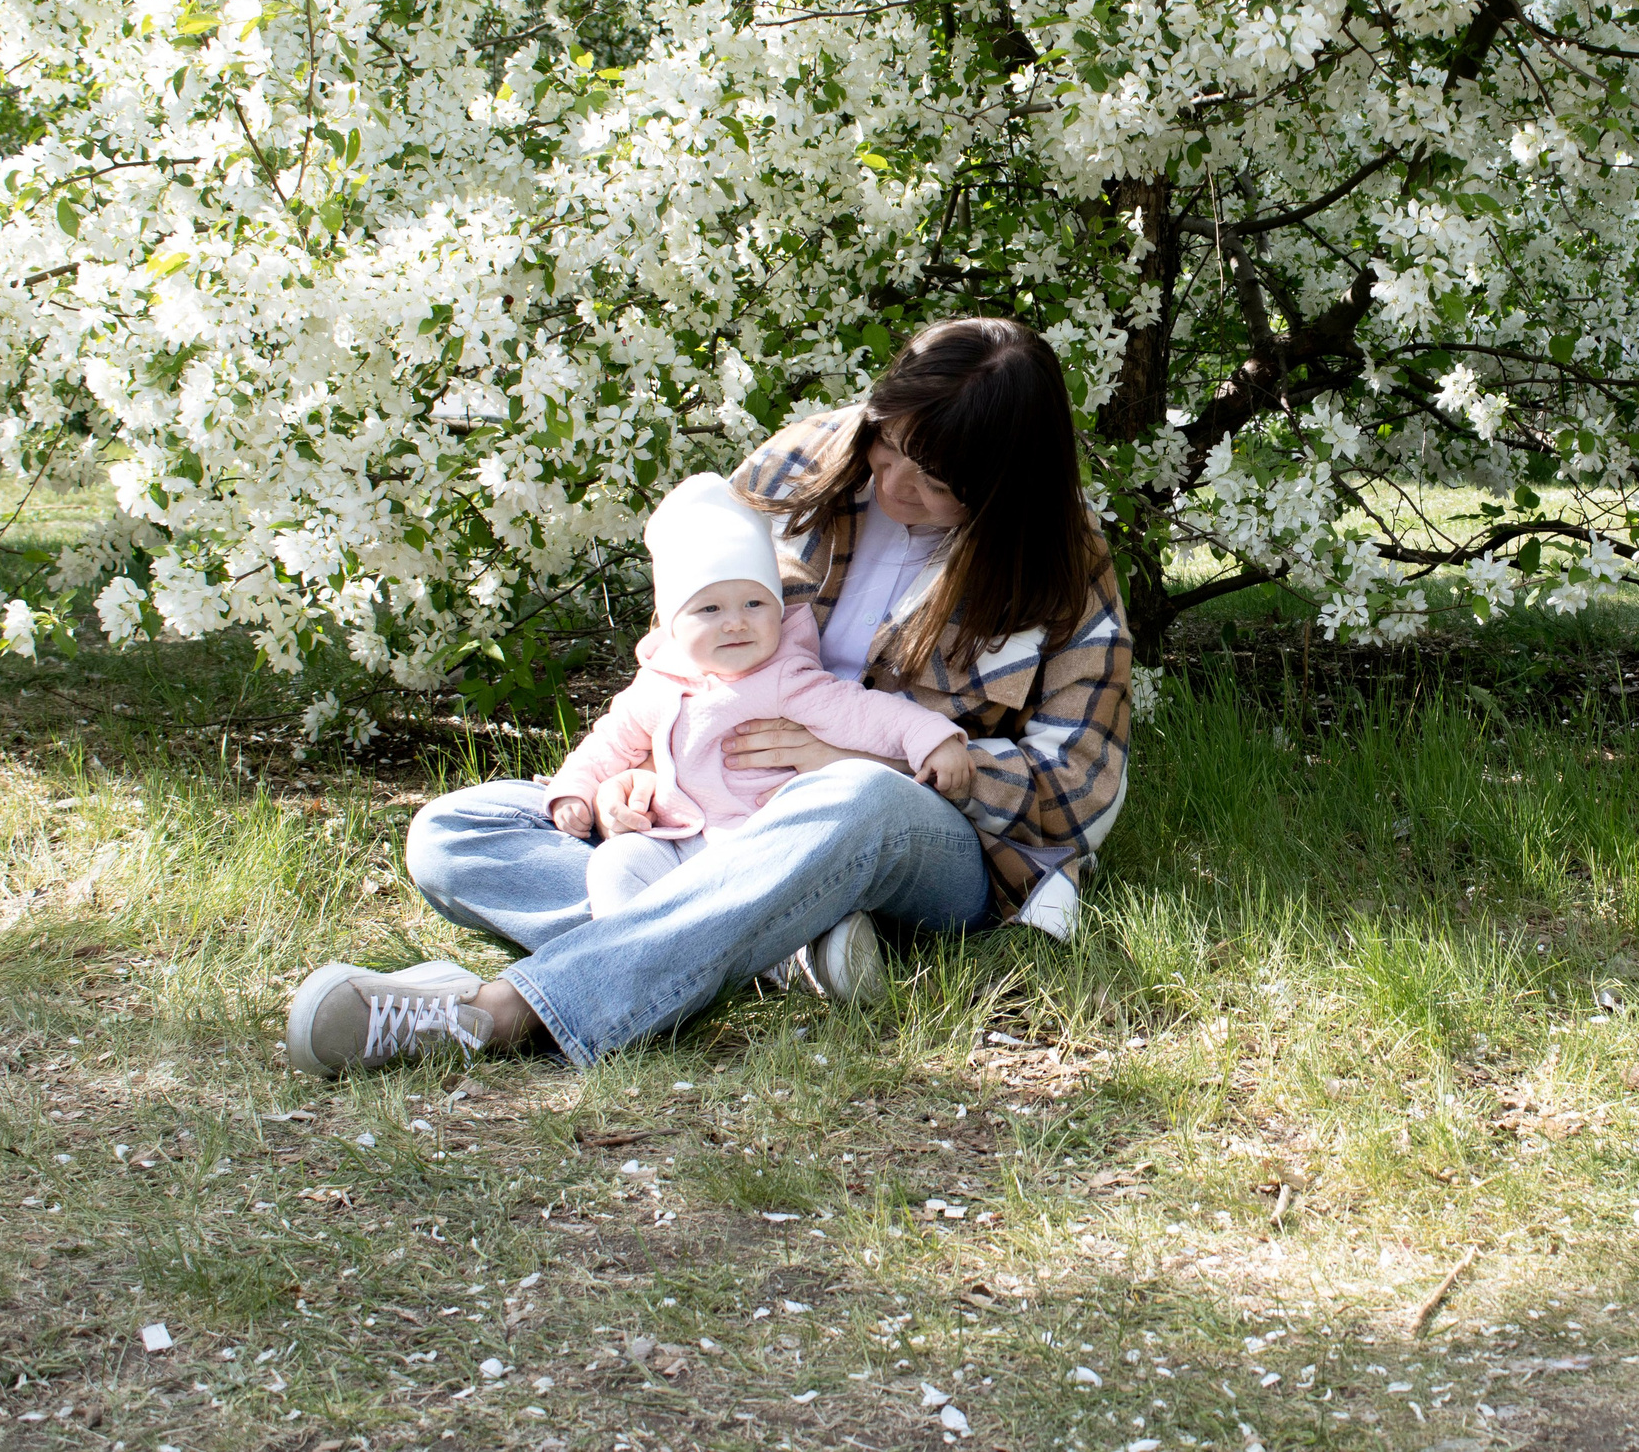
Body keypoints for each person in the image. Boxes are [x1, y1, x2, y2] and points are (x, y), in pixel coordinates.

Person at [283, 318, 1132, 1078]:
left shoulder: (1058, 559)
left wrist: (870, 758)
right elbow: (679, 647)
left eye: (935, 478)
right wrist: (640, 770)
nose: (894, 480)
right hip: (708, 817)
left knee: (858, 797)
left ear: (1003, 485)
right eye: (889, 441)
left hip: (910, 843)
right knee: (456, 831)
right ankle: (785, 950)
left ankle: (502, 1013)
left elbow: (1079, 787)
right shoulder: (799, 467)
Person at [541, 472, 975, 918]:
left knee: (778, 893)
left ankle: (794, 955)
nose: (736, 623)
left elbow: (864, 713)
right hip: (675, 838)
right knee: (615, 863)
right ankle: (626, 943)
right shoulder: (657, 682)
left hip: (760, 844)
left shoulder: (785, 678)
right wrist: (574, 789)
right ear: (672, 623)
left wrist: (931, 738)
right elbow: (609, 742)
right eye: (710, 609)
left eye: (755, 604)